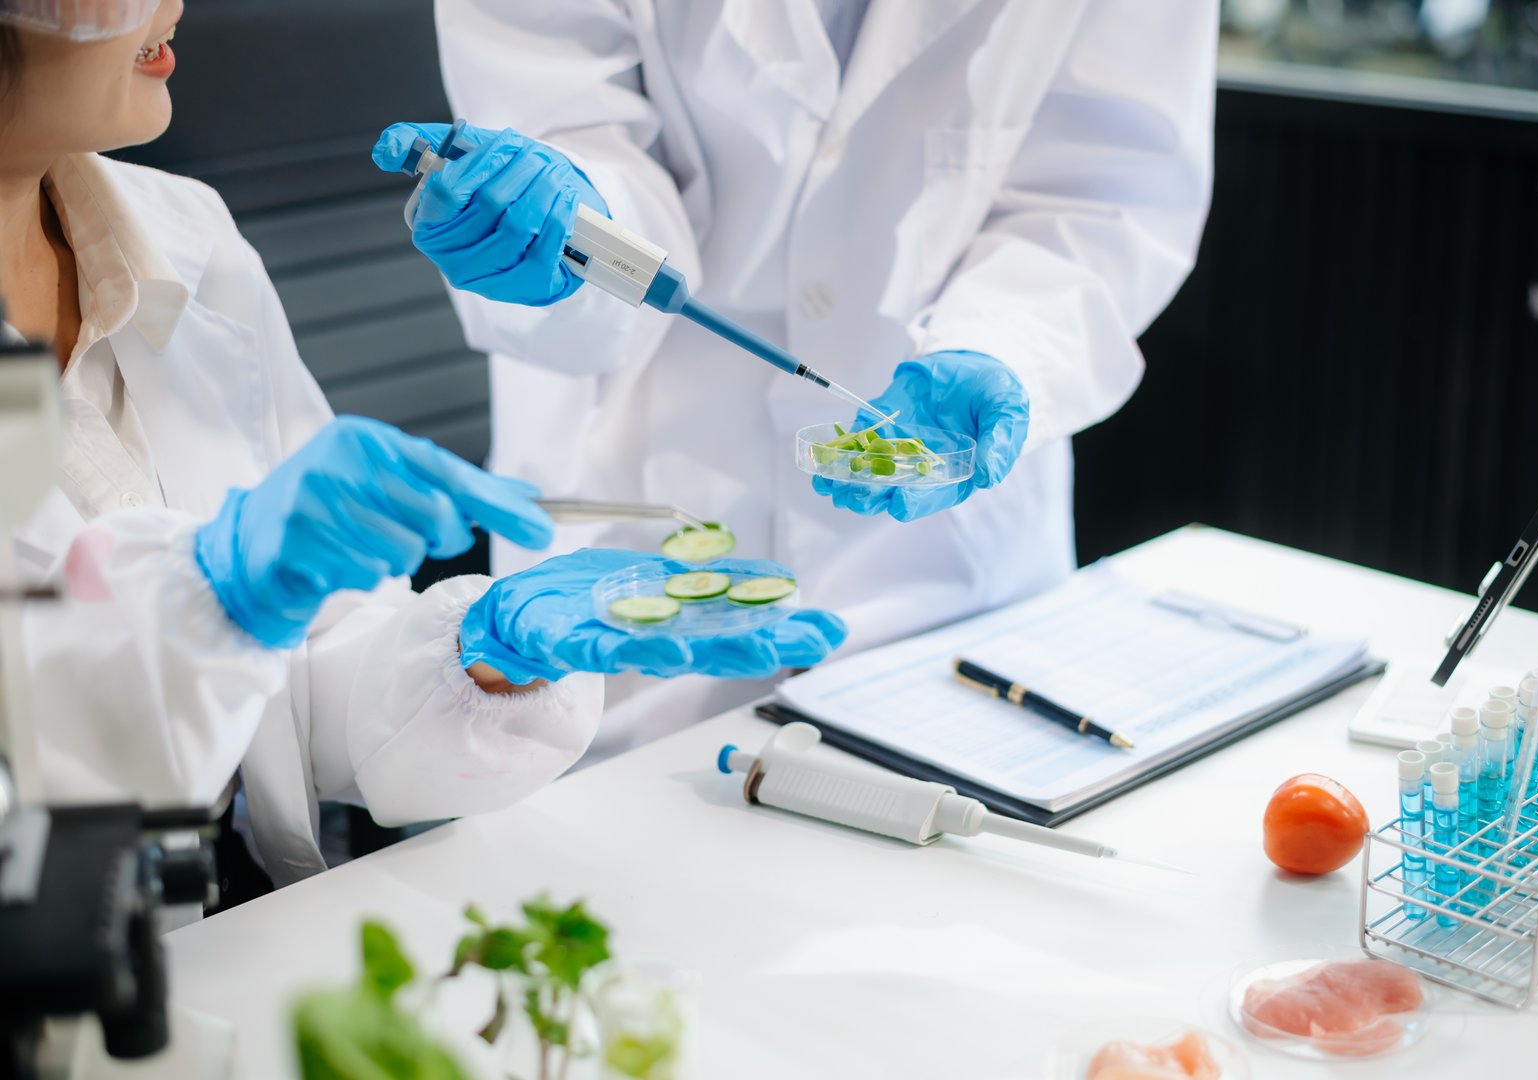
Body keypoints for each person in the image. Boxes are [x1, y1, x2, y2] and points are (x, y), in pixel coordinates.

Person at [0, 0, 846, 895]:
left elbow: (302, 709)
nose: (170, 1)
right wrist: (211, 594)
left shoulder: (186, 237)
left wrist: (482, 658)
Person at [373, 0, 1216, 758]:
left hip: (943, 579)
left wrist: (1001, 342)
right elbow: (564, 126)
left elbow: (1106, 194)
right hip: (634, 527)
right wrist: (582, 223)